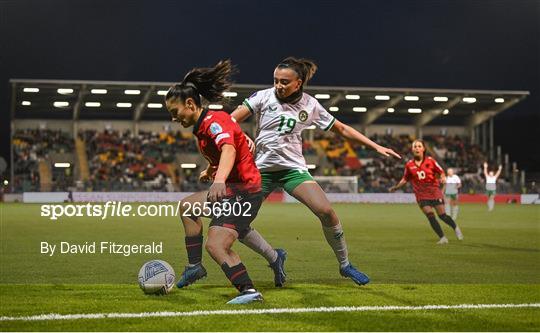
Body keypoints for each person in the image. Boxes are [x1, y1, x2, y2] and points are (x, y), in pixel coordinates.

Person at [230, 56, 401, 285]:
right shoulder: (263, 96)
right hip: (261, 171)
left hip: (293, 170)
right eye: (275, 80)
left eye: (284, 82)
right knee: (236, 222)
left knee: (326, 212)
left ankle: (345, 265)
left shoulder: (310, 105)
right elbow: (232, 119)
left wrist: (375, 145)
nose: (278, 86)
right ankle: (274, 257)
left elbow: (340, 128)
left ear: (298, 83)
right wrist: (243, 136)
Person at [164, 59, 285, 304]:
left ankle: (249, 292)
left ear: (190, 104)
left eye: (175, 112)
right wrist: (212, 169)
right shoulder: (203, 126)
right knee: (188, 207)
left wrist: (218, 180)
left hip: (245, 191)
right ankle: (195, 266)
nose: (174, 118)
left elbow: (229, 149)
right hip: (232, 189)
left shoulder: (213, 121)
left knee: (217, 245)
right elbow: (225, 151)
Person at [389, 140, 464, 244]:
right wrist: (396, 187)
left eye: (419, 146)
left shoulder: (430, 161)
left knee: (442, 216)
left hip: (434, 191)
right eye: (414, 146)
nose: (416, 148)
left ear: (423, 149)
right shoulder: (409, 165)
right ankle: (442, 238)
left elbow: (441, 171)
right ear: (412, 149)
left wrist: (442, 177)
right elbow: (405, 179)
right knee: (430, 215)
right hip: (421, 194)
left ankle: (455, 228)